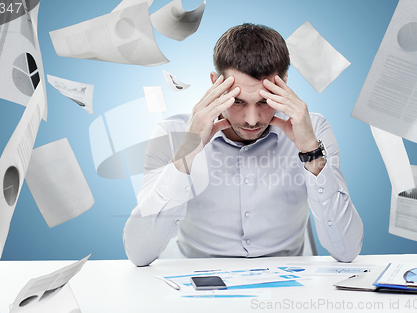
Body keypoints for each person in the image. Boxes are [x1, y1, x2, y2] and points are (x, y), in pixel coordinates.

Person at [123, 23, 363, 266]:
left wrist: (311, 152)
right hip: (199, 288)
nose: (252, 119)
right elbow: (139, 253)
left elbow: (347, 250)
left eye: (264, 101)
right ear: (215, 83)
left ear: (284, 83)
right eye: (237, 101)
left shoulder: (313, 131)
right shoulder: (171, 134)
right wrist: (188, 150)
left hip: (287, 292)